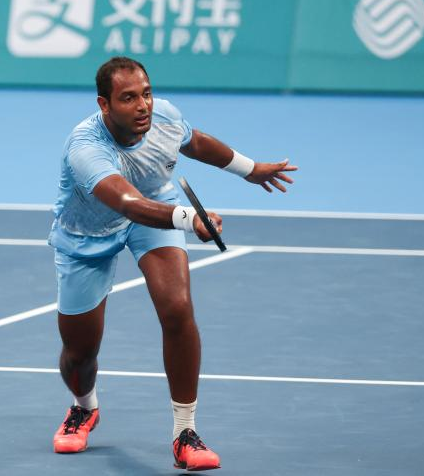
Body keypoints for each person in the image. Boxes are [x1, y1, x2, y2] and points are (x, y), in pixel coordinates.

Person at [48, 57, 297, 469]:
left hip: (155, 215)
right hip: (88, 234)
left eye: (145, 93)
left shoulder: (162, 115)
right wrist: (191, 219)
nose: (143, 105)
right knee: (79, 353)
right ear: (104, 105)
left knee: (178, 309)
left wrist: (249, 170)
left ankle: (185, 432)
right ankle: (83, 407)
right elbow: (127, 203)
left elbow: (194, 142)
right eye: (128, 98)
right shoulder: (85, 148)